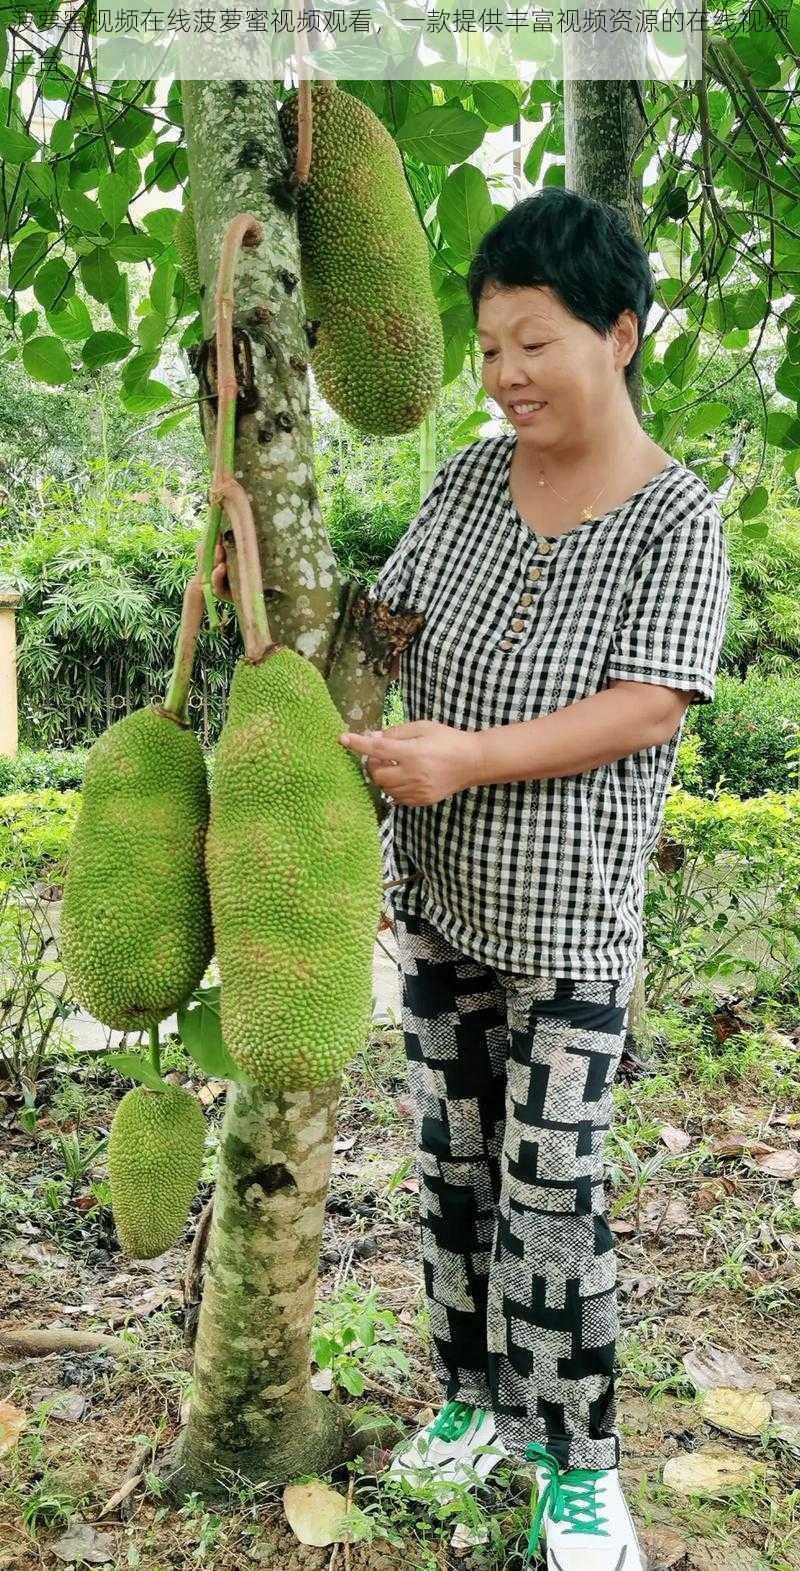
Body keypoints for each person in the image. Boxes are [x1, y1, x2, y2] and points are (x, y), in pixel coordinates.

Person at [213, 187, 730, 1570]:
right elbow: (389, 626)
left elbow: (651, 707)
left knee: (555, 1200)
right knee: (453, 1178)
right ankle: (472, 1401)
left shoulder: (677, 518)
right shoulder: (467, 482)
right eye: (490, 347)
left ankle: (578, 1465)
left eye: (534, 344)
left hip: (568, 930)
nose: (503, 377)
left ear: (617, 337)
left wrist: (470, 758)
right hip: (439, 907)